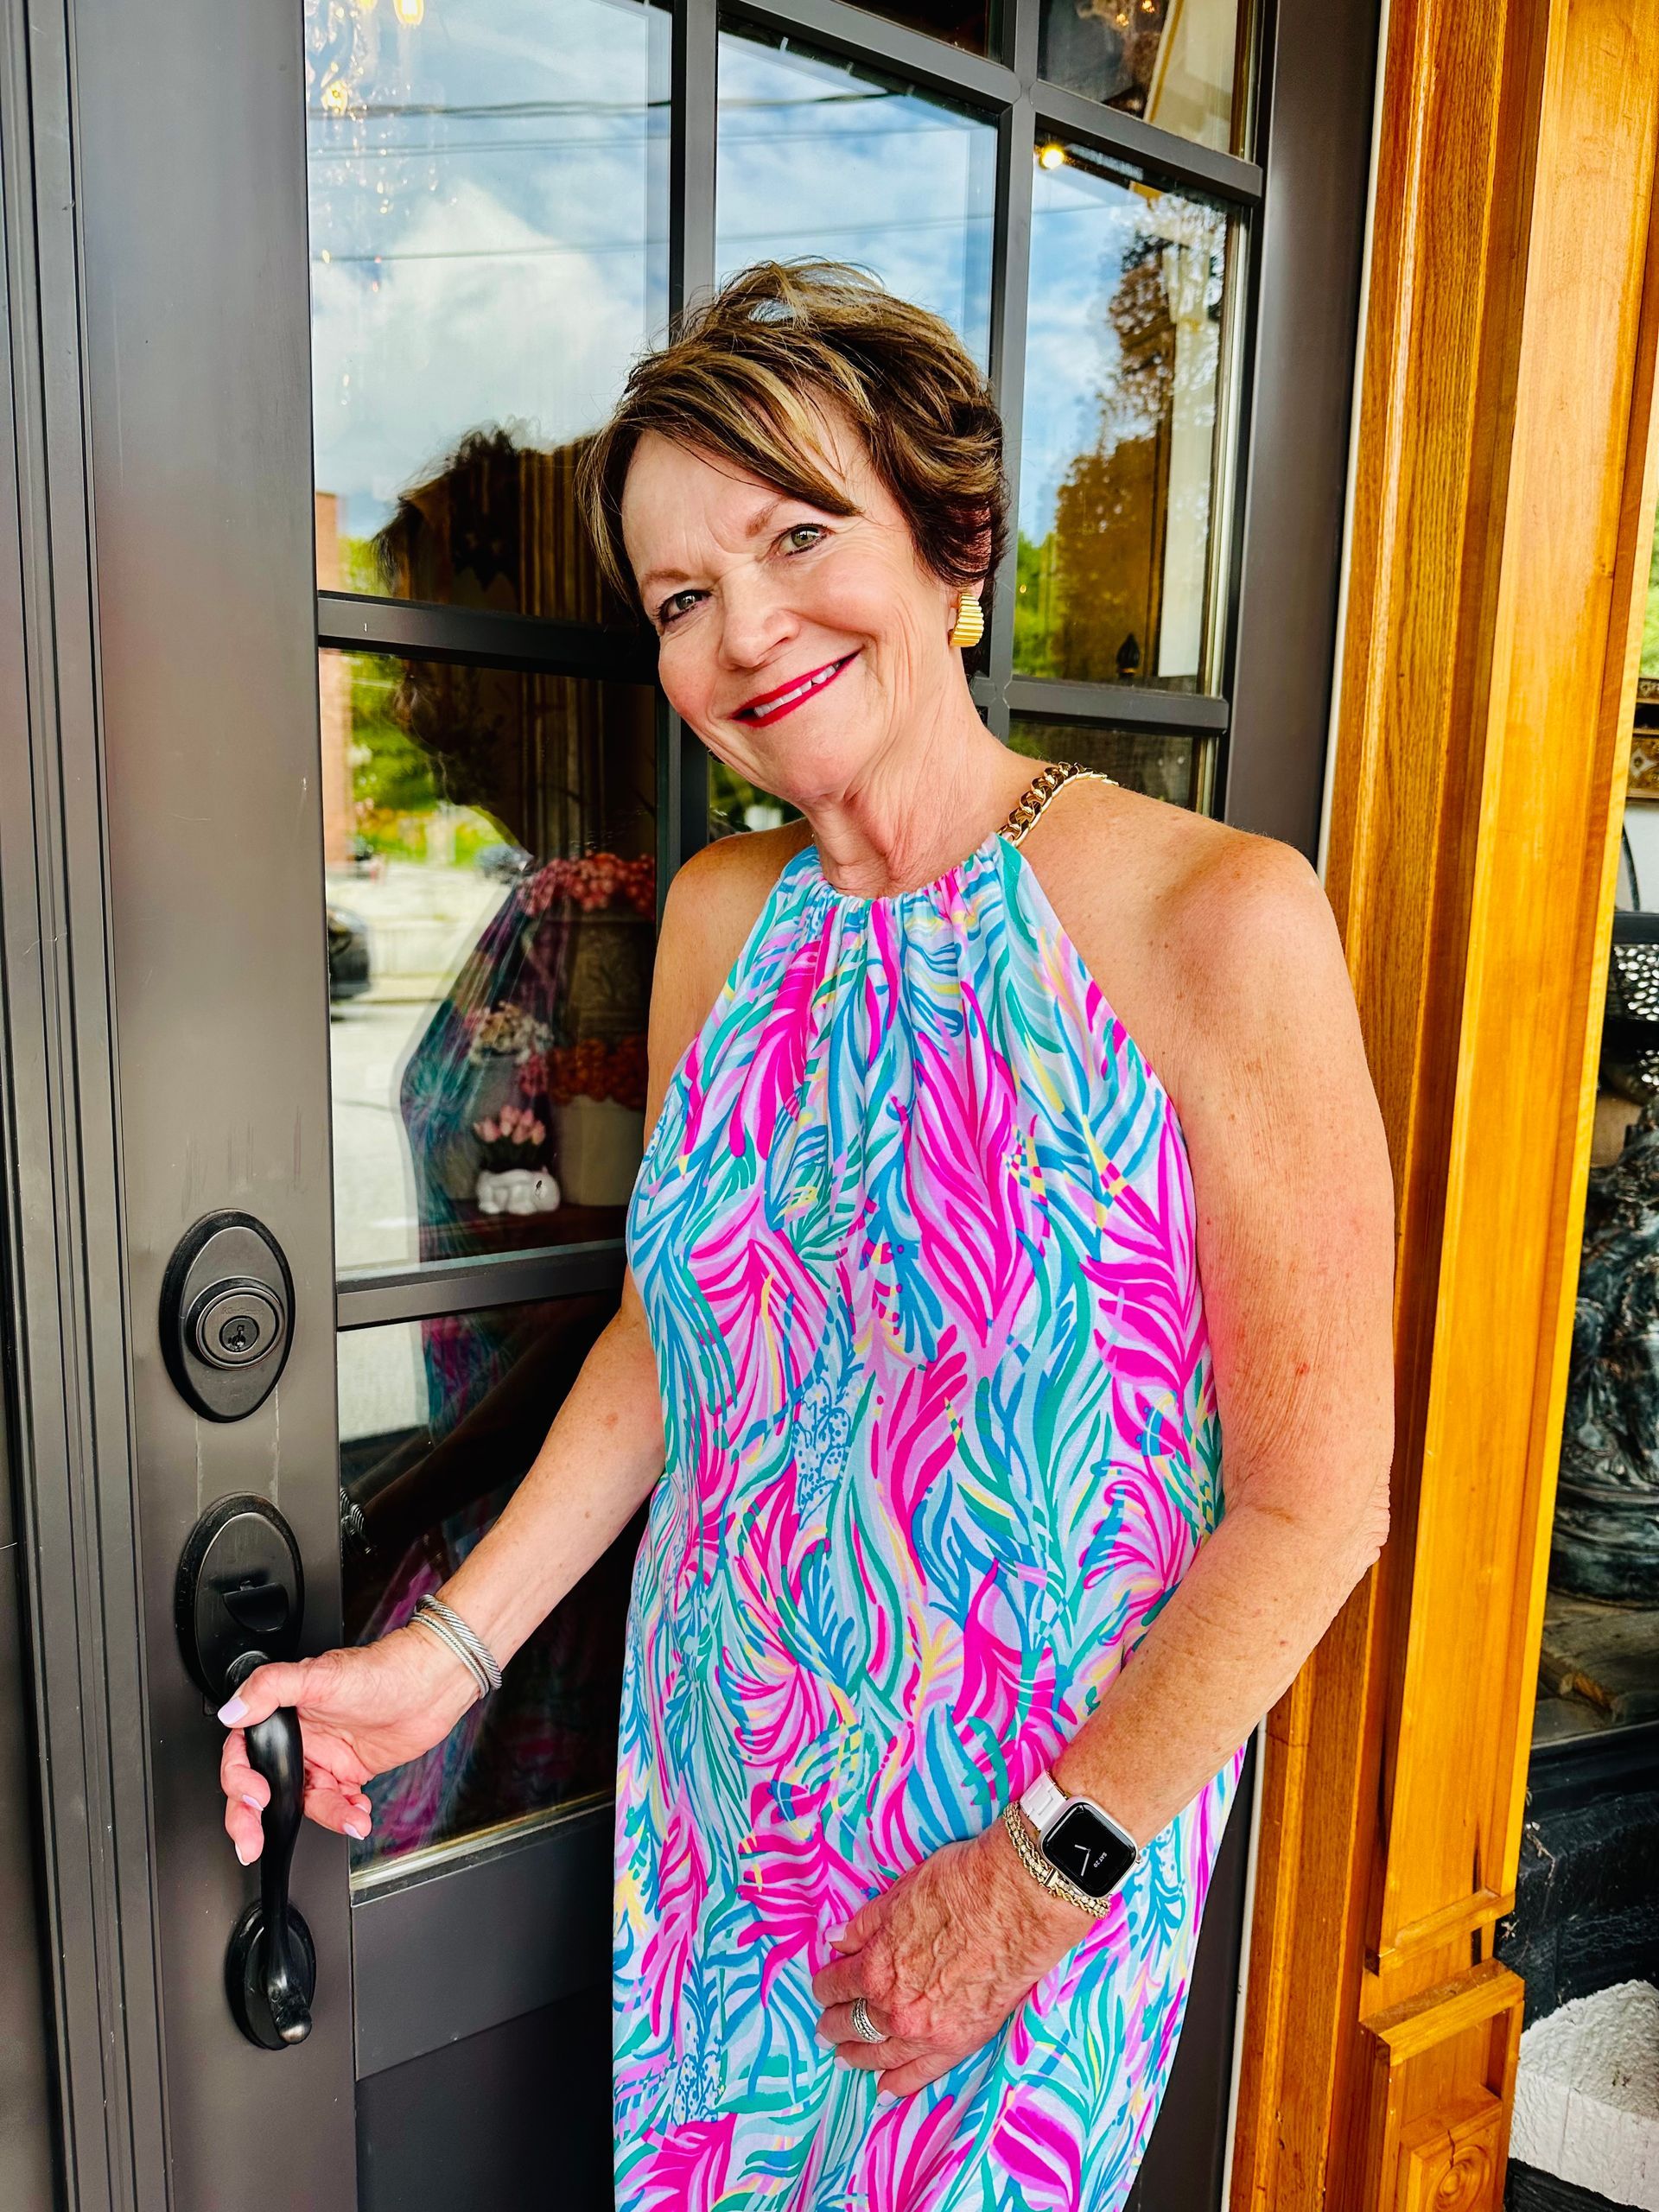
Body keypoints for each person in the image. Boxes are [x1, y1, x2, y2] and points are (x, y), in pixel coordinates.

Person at [217, 257, 1395, 2210]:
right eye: (684, 596)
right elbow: (678, 1338)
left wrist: (1040, 1884)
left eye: (795, 533)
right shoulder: (719, 917)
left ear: (946, 545)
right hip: (720, 1800)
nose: (745, 626)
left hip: (1027, 1851)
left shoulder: (1220, 921)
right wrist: (446, 1654)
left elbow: (1317, 1504)